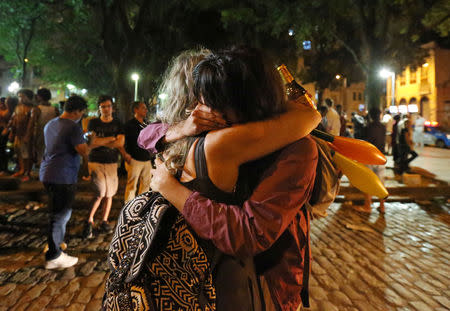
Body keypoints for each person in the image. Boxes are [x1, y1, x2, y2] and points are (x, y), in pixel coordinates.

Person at [129, 47, 320, 311]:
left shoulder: (296, 147)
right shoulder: (213, 132)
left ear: (245, 99)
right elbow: (145, 137)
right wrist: (182, 128)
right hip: (212, 281)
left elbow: (248, 232)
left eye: (215, 102)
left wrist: (171, 189)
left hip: (268, 284)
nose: (207, 111)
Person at [39, 95, 89, 269]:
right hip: (63, 175)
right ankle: (54, 256)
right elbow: (83, 151)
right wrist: (92, 143)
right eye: (82, 112)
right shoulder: (73, 127)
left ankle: (55, 245)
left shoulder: (50, 124)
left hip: (47, 173)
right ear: (77, 111)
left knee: (55, 213)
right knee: (61, 215)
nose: (81, 116)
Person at [83, 95, 124, 238]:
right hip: (96, 161)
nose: (106, 109)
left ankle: (104, 221)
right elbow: (91, 143)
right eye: (103, 106)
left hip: (112, 162)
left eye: (108, 106)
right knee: (100, 192)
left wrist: (100, 141)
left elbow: (120, 143)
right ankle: (89, 221)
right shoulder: (93, 122)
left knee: (109, 194)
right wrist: (111, 139)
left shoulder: (118, 123)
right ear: (99, 108)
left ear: (112, 108)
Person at [119, 101, 153, 203]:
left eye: (146, 108)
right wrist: (125, 154)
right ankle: (128, 205)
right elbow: (122, 142)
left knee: (146, 184)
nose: (146, 110)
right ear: (136, 110)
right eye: (143, 108)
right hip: (134, 159)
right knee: (132, 184)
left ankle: (141, 204)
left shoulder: (147, 124)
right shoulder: (129, 125)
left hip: (146, 159)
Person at [354, 108, 386, 213]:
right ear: (380, 115)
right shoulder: (383, 127)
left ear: (371, 116)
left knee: (368, 181)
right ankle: (382, 206)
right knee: (381, 183)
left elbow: (364, 142)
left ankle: (367, 205)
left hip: (370, 157)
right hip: (381, 157)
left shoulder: (367, 127)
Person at [28, 88, 60, 167]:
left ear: (39, 97)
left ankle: (41, 168)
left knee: (39, 151)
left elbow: (32, 123)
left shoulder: (37, 109)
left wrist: (28, 134)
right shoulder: (55, 109)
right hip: (52, 133)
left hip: (40, 133)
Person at [9, 89, 34, 180]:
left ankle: (27, 172)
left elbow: (32, 124)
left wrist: (28, 135)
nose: (21, 98)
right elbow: (13, 119)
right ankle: (22, 170)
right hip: (18, 134)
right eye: (19, 96)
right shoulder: (18, 107)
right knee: (18, 152)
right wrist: (11, 131)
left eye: (22, 96)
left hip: (26, 135)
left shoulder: (32, 109)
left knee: (26, 154)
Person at [0, 97, 16, 175]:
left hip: (6, 132)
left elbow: (8, 123)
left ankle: (4, 169)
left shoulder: (10, 112)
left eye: (4, 103)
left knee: (3, 151)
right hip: (5, 131)